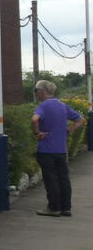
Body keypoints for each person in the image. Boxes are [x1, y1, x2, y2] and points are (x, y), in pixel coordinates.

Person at [31, 80, 85, 217]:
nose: (36, 94)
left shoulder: (42, 106)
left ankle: (54, 207)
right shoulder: (63, 106)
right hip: (61, 149)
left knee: (51, 179)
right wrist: (67, 130)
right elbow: (80, 120)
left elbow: (34, 120)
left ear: (42, 91)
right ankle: (66, 207)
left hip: (46, 149)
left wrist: (37, 133)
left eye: (36, 91)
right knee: (63, 178)